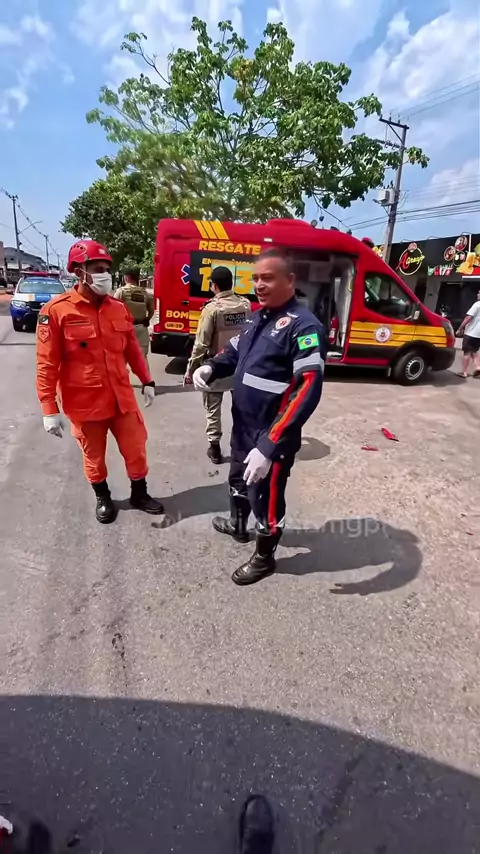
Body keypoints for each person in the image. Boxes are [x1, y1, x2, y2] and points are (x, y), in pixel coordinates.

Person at [193, 249, 326, 585]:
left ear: (290, 281)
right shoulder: (257, 317)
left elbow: (307, 389)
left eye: (267, 278)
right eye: (255, 278)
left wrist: (269, 445)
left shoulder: (303, 326)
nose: (259, 285)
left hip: (271, 434)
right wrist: (211, 366)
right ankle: (238, 526)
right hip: (243, 426)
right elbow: (234, 350)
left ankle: (265, 558)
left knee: (265, 497)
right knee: (238, 479)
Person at [35, 240, 164, 524]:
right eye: (97, 269)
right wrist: (48, 408)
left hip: (121, 398)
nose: (104, 274)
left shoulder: (118, 308)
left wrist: (147, 380)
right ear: (78, 271)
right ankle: (103, 497)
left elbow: (132, 349)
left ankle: (139, 493)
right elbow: (46, 364)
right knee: (93, 457)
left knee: (136, 448)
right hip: (85, 404)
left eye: (106, 268)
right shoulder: (56, 311)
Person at [185, 266, 251, 465]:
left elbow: (201, 344)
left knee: (213, 409)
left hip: (216, 366)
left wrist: (191, 370)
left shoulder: (212, 309)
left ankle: (214, 449)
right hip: (239, 366)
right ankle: (241, 447)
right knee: (241, 408)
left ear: (214, 285)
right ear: (231, 283)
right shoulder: (245, 305)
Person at [114, 267, 154, 367]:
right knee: (142, 359)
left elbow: (112, 310)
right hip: (141, 328)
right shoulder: (145, 293)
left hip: (125, 329)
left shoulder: (121, 292)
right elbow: (151, 311)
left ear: (126, 278)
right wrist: (147, 319)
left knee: (121, 360)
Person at [456, 290, 480, 378]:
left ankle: (464, 372)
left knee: (467, 352)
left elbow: (468, 317)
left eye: (479, 293)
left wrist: (460, 328)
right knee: (474, 351)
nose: (478, 294)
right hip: (478, 335)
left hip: (471, 333)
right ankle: (478, 367)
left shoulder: (477, 304)